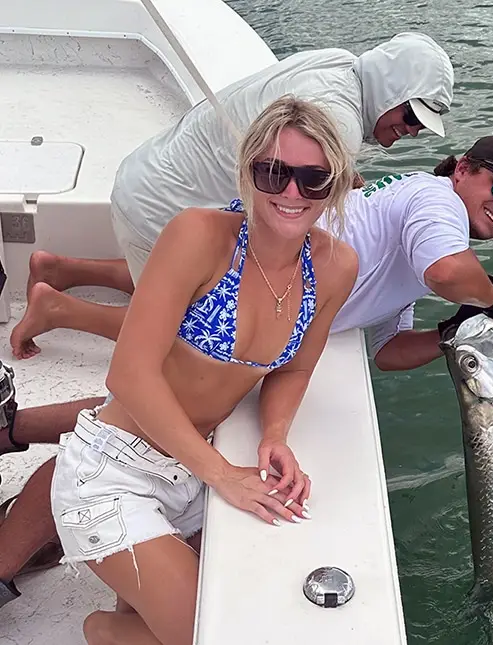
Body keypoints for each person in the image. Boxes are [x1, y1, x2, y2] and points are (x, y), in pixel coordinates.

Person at [0, 134, 493, 608]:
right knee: (152, 394)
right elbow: (451, 270)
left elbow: (388, 349)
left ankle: (16, 432)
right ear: (462, 169)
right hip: (138, 454)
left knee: (180, 388)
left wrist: (448, 336)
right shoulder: (436, 201)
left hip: (186, 439)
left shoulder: (361, 260)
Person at [30, 95, 359, 642]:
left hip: (193, 476)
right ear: (249, 171)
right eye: (273, 172)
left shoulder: (335, 267)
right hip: (115, 473)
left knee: (245, 612)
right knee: (212, 634)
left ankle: (123, 626)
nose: (291, 192)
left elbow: (294, 370)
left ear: (338, 185)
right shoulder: (200, 237)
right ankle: (102, 631)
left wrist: (275, 435)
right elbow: (128, 375)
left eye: (314, 179)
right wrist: (223, 474)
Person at [10, 31, 454, 359]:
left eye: (419, 128)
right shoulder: (342, 121)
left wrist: (341, 171)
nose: (409, 133)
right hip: (165, 209)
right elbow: (290, 230)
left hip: (147, 176)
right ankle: (57, 309)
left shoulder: (339, 63)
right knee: (188, 335)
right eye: (411, 116)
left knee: (188, 284)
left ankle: (61, 268)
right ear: (392, 88)